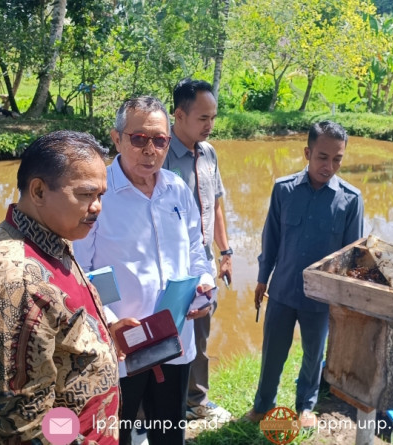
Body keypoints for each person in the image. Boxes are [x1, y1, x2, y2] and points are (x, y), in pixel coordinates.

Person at [0, 130, 133, 444]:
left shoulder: (50, 239)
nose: (96, 207)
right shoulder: (15, 282)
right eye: (84, 194)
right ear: (39, 191)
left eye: (100, 196)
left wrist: (102, 334)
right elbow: (24, 428)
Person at [74, 96, 215, 445]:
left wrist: (205, 284)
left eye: (160, 140)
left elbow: (196, 249)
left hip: (176, 341)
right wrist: (108, 319)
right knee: (115, 434)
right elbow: (81, 269)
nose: (149, 150)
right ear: (117, 138)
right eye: (138, 139)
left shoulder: (176, 189)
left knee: (169, 433)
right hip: (123, 345)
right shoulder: (97, 195)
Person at [245, 121, 364, 428]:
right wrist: (262, 278)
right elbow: (270, 239)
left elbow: (353, 257)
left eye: (337, 159)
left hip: (321, 299)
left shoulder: (350, 200)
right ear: (307, 152)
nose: (329, 166)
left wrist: (345, 300)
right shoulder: (283, 190)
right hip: (283, 291)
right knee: (272, 353)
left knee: (314, 355)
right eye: (323, 157)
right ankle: (262, 405)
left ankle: (305, 406)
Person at [163, 78, 233, 423]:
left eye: (213, 118)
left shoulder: (209, 153)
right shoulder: (159, 157)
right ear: (178, 114)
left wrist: (226, 251)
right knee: (163, 341)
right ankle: (156, 411)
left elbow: (216, 204)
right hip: (170, 270)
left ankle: (196, 401)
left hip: (203, 265)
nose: (210, 125)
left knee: (200, 337)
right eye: (203, 118)